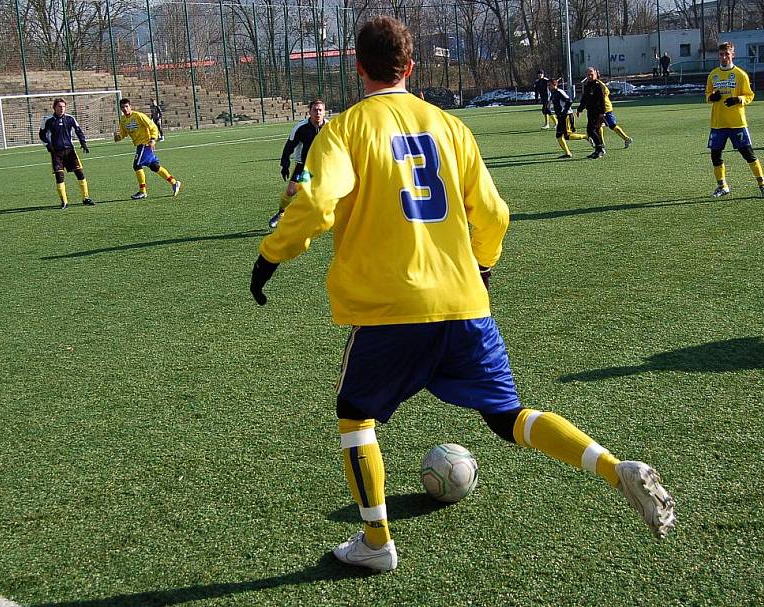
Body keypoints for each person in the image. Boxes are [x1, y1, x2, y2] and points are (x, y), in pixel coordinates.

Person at [250, 16, 675, 572]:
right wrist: (484, 267)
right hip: (464, 301)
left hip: (390, 308)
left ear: (358, 69)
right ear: (411, 67)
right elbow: (494, 213)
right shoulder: (452, 128)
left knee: (355, 416)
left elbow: (315, 204)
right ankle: (613, 466)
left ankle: (377, 544)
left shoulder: (346, 129)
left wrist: (271, 254)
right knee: (508, 417)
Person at [706, 41, 764, 198]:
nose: (724, 57)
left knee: (748, 154)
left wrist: (738, 99)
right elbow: (708, 94)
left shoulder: (741, 74)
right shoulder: (713, 74)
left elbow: (750, 95)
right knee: (715, 155)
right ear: (718, 56)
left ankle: (763, 185)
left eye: (727, 54)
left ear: (732, 55)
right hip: (718, 123)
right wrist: (711, 97)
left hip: (737, 123)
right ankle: (722, 186)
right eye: (721, 54)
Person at [268, 99, 327, 229]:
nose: (317, 112)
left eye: (320, 110)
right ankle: (281, 213)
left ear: (324, 112)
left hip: (323, 166)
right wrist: (285, 164)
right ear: (309, 112)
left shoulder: (330, 127)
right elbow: (289, 147)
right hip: (304, 167)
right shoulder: (300, 128)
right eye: (315, 110)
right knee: (290, 192)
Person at [114, 98, 181, 200]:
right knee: (154, 166)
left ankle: (142, 191)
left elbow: (153, 127)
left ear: (130, 106)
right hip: (139, 146)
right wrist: (118, 137)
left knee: (136, 165)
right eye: (122, 107)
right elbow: (123, 133)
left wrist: (153, 139)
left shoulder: (139, 116)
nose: (125, 109)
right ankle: (174, 182)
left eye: (126, 106)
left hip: (145, 144)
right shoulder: (123, 120)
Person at [38, 98, 93, 209]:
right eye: (59, 106)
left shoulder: (70, 118)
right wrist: (48, 145)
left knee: (80, 173)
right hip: (56, 153)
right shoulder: (48, 120)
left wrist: (83, 143)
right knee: (59, 176)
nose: (62, 108)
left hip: (70, 151)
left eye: (63, 106)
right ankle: (64, 202)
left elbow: (78, 130)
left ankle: (85, 198)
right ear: (54, 107)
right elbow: (42, 134)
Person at [549, 78, 589, 158]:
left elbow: (569, 101)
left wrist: (564, 111)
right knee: (559, 136)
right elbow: (550, 101)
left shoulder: (560, 92)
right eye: (548, 85)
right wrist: (547, 108)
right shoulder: (553, 93)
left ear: (555, 85)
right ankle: (568, 153)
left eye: (549, 85)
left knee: (567, 136)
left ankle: (586, 136)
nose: (548, 87)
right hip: (560, 117)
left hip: (566, 115)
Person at [576, 68, 607, 159]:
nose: (589, 76)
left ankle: (600, 149)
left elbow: (602, 100)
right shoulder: (587, 85)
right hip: (590, 111)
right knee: (594, 131)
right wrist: (580, 109)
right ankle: (598, 150)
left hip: (597, 112)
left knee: (591, 130)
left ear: (596, 75)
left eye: (591, 74)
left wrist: (602, 112)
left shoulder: (598, 86)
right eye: (588, 75)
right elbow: (584, 99)